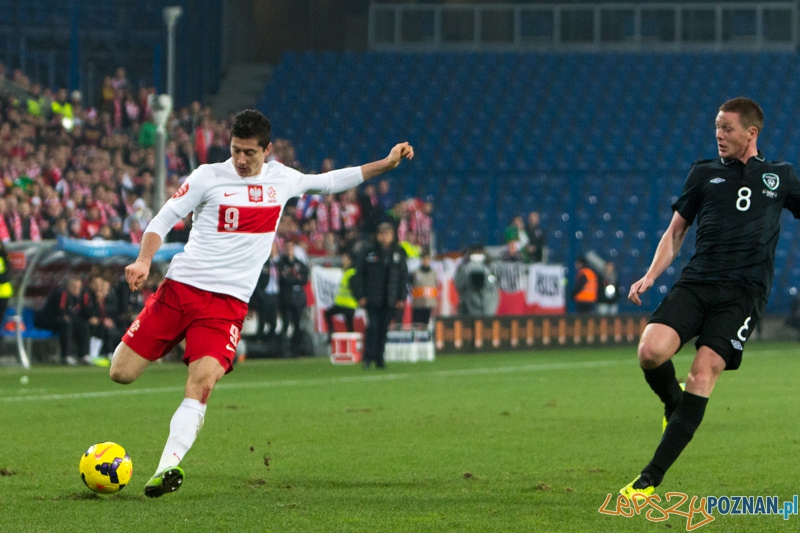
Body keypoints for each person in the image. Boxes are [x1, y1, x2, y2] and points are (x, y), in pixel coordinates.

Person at [108, 109, 414, 497]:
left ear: (267, 150)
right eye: (235, 150)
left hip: (226, 305)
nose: (240, 159)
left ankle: (167, 467)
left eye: (249, 152)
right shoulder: (207, 177)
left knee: (202, 382)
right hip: (179, 290)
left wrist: (385, 164)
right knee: (121, 372)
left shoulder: (282, 179)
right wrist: (143, 260)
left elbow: (331, 182)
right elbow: (162, 220)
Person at [619, 97, 800, 499]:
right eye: (717, 127)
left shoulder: (781, 176)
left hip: (742, 294)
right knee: (650, 352)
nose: (719, 134)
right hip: (698, 281)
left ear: (751, 133)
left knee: (703, 373)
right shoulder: (703, 172)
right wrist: (651, 275)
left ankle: (649, 479)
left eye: (727, 128)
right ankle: (672, 402)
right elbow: (676, 232)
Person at [351, 222, 408, 369]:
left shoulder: (398, 252)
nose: (385, 237)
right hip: (372, 297)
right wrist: (360, 295)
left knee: (384, 329)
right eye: (382, 234)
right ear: (377, 235)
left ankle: (380, 357)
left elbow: (403, 277)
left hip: (389, 298)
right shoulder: (368, 251)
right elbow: (358, 275)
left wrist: (401, 297)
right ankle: (368, 357)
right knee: (373, 328)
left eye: (388, 234)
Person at [34, 275, 87, 366]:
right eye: (74, 287)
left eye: (78, 287)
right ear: (68, 286)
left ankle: (84, 355)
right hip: (47, 321)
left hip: (63, 321)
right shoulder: (62, 293)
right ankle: (66, 356)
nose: (77, 290)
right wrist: (64, 316)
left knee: (83, 325)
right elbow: (61, 311)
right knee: (66, 325)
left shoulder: (78, 297)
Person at [277, 240, 309, 357]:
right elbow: (283, 279)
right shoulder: (281, 263)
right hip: (286, 298)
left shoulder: (299, 263)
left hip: (298, 299)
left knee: (297, 324)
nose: (289, 249)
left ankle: (295, 350)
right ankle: (284, 351)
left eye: (291, 247)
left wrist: (292, 279)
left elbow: (305, 278)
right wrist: (296, 279)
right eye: (287, 247)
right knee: (285, 324)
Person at [454, 247, 499, 316]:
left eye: (479, 253)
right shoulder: (464, 269)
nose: (477, 255)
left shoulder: (488, 269)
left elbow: (493, 285)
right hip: (468, 303)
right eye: (475, 253)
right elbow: (459, 285)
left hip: (486, 303)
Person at [323, 251, 358, 338]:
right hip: (343, 303)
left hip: (349, 304)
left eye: (345, 259)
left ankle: (332, 333)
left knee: (349, 327)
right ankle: (332, 332)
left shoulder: (352, 272)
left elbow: (354, 287)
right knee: (349, 326)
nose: (343, 260)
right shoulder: (346, 272)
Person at [410, 250, 438, 326]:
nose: (426, 261)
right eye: (424, 258)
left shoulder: (434, 273)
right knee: (416, 325)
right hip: (418, 305)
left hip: (429, 305)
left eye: (428, 258)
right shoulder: (415, 273)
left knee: (428, 325)